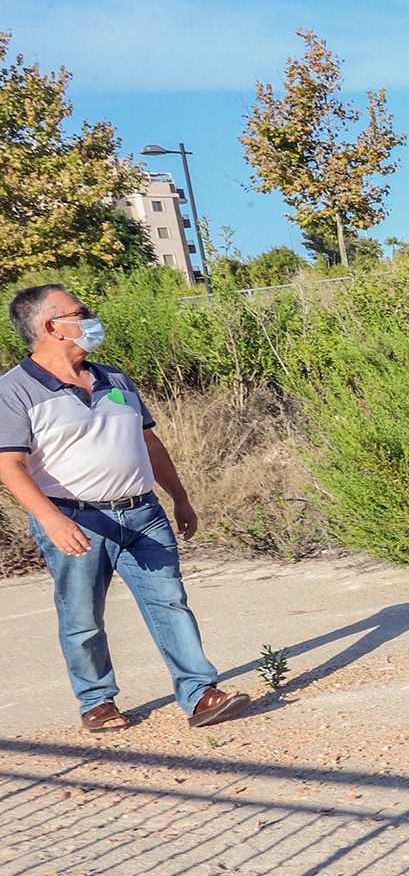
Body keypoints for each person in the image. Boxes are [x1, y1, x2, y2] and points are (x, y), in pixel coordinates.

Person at [0, 284, 249, 731]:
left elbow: (149, 442)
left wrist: (180, 496)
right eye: (82, 311)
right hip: (75, 518)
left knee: (170, 601)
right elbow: (11, 465)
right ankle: (97, 701)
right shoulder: (14, 391)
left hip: (143, 512)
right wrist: (50, 518)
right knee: (81, 616)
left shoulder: (115, 379)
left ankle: (200, 693)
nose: (92, 318)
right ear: (51, 326)